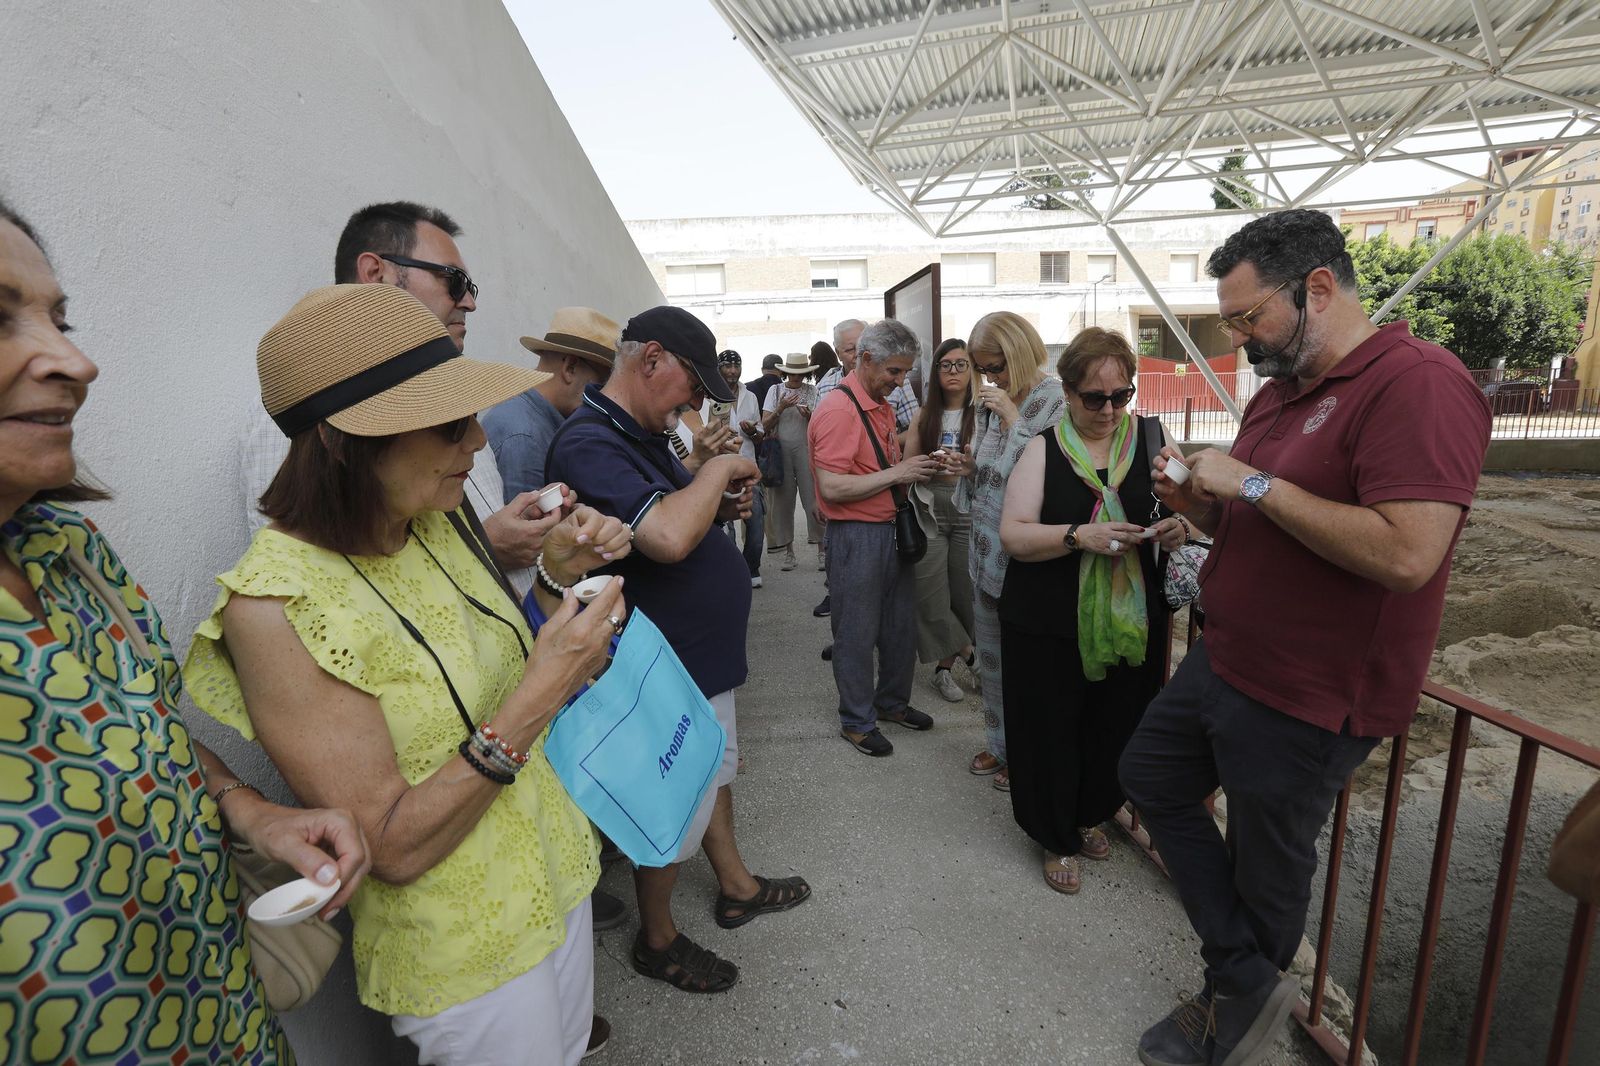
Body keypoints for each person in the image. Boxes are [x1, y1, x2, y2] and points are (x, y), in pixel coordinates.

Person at [186, 284, 631, 1065]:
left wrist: (560, 580)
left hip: (554, 877)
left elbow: (494, 667)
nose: (478, 440)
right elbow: (389, 844)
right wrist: (546, 689)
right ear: (343, 442)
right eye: (448, 422)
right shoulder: (277, 606)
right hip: (463, 945)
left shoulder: (430, 520)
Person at [0, 199, 369, 1063]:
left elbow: (142, 735)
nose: (75, 361)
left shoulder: (68, 546)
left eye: (60, 318)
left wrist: (250, 811)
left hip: (230, 1028)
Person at [1119, 209, 1490, 1066]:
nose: (1242, 338)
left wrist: (1247, 483)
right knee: (1148, 773)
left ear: (1318, 288)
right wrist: (1202, 505)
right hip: (1230, 658)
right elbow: (1267, 521)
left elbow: (1407, 552)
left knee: (1267, 871)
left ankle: (1232, 1011)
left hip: (1310, 690)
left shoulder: (1419, 382)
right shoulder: (1283, 391)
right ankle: (1247, 979)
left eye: (1250, 317)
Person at [545, 305, 811, 995]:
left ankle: (735, 884)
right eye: (693, 385)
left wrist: (711, 501)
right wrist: (720, 472)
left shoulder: (644, 433)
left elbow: (668, 515)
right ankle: (657, 937)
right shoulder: (589, 442)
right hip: (662, 663)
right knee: (676, 790)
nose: (695, 403)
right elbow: (662, 537)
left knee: (711, 770)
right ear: (652, 358)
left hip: (696, 653)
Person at [239, 201, 560, 599]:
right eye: (453, 280)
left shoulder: (453, 383)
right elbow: (311, 586)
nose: (469, 302)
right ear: (376, 273)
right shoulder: (309, 410)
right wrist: (484, 546)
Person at [998, 328, 1188, 895]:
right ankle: (1055, 833)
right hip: (1049, 620)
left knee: (1115, 722)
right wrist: (1080, 535)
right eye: (1093, 398)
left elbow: (1189, 508)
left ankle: (1089, 812)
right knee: (1051, 727)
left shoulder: (1154, 439)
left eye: (1120, 396)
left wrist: (1181, 526)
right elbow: (1013, 535)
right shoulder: (1042, 448)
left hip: (1130, 619)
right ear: (1070, 391)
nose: (1108, 410)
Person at [809, 319, 942, 756]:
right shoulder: (838, 409)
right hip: (857, 536)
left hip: (889, 531)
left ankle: (891, 703)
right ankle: (857, 720)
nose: (901, 382)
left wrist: (921, 462)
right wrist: (900, 472)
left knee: (899, 627)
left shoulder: (878, 404)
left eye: (905, 373)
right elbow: (831, 487)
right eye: (894, 372)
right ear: (866, 359)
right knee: (857, 632)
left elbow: (883, 464)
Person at [959, 312, 1066, 789]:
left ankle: (1027, 754)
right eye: (983, 369)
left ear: (1020, 352)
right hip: (984, 552)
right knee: (992, 659)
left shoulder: (1055, 400)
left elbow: (1052, 474)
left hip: (1026, 554)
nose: (990, 378)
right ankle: (1000, 745)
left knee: (1029, 666)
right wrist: (964, 463)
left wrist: (1012, 418)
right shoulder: (988, 403)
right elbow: (987, 466)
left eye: (996, 366)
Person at [483, 306, 618, 499]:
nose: (606, 396)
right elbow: (527, 527)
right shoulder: (524, 436)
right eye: (602, 384)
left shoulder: (532, 421)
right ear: (570, 368)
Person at [907, 338, 978, 702]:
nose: (953, 371)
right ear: (935, 372)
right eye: (945, 364)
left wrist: (970, 467)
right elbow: (907, 465)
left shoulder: (984, 413)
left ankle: (943, 670)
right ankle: (972, 656)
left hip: (969, 507)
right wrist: (927, 465)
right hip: (929, 507)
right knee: (930, 595)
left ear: (972, 370)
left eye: (960, 364)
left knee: (964, 596)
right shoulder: (924, 414)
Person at [705, 349, 766, 587]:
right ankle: (731, 570)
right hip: (720, 468)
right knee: (725, 526)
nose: (732, 371)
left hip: (748, 466)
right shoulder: (710, 396)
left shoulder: (749, 396)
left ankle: (751, 568)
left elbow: (759, 433)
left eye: (736, 366)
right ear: (719, 368)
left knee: (756, 521)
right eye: (727, 367)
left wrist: (752, 430)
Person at [761, 352, 823, 572]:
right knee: (783, 503)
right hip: (780, 451)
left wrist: (809, 416)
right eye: (793, 374)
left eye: (801, 374)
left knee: (813, 499)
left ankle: (822, 550)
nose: (796, 378)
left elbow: (822, 425)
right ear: (785, 372)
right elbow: (764, 424)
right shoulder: (775, 390)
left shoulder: (813, 391)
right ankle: (789, 552)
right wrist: (781, 407)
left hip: (807, 450)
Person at [816, 319, 862, 398]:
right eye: (850, 349)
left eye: (862, 347)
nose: (858, 354)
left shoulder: (886, 384)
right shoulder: (825, 388)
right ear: (838, 353)